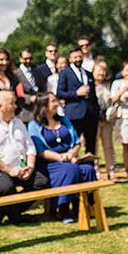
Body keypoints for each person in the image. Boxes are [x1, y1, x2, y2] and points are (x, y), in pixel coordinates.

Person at [0, 90, 47, 225]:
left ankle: (4, 211)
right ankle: (16, 218)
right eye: (12, 103)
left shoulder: (18, 123)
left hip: (21, 167)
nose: (16, 106)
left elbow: (30, 147)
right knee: (7, 187)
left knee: (41, 181)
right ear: (0, 107)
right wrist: (10, 170)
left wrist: (30, 167)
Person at [27, 93, 97, 223]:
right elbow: (40, 151)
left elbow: (76, 142)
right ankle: (62, 208)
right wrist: (61, 157)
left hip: (70, 158)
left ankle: (85, 206)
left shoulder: (64, 120)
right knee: (70, 170)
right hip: (49, 163)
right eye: (53, 101)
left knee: (88, 169)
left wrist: (71, 154)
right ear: (44, 106)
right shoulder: (34, 125)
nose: (57, 103)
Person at [57, 47, 99, 154]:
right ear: (70, 59)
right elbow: (60, 93)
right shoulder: (65, 73)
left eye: (80, 57)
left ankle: (90, 168)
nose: (78, 59)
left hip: (90, 115)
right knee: (72, 144)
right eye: (75, 57)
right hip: (74, 114)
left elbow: (93, 95)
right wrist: (76, 93)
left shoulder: (88, 74)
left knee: (91, 145)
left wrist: (97, 112)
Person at [92, 61, 116, 180]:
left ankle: (111, 171)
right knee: (94, 146)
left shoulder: (108, 85)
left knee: (108, 145)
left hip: (106, 119)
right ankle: (96, 172)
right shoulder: (90, 85)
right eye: (99, 70)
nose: (101, 73)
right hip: (94, 119)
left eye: (103, 70)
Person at [14, 49, 39, 123]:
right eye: (25, 59)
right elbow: (16, 93)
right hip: (24, 110)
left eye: (30, 58)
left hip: (38, 109)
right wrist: (29, 98)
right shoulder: (16, 74)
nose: (28, 61)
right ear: (20, 59)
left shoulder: (36, 70)